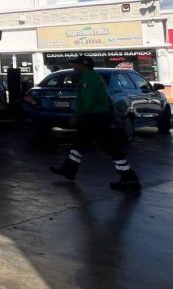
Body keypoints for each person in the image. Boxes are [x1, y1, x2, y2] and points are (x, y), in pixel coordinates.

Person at [50, 55, 141, 190]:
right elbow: (105, 98)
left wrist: (77, 116)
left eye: (76, 64)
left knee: (108, 146)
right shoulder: (95, 77)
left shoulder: (88, 79)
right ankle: (69, 169)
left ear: (83, 65)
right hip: (98, 117)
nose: (74, 66)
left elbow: (87, 101)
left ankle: (129, 177)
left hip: (93, 118)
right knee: (80, 143)